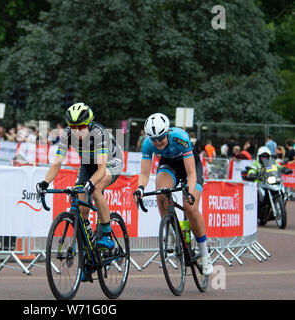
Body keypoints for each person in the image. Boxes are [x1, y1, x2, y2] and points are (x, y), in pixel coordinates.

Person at [36, 103, 124, 281]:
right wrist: (45, 182)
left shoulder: (99, 133)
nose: (77, 131)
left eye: (81, 127)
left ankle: (107, 234)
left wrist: (91, 184)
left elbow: (100, 170)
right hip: (87, 164)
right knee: (80, 209)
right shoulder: (67, 134)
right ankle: (89, 259)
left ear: (89, 124)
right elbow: (57, 163)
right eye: (73, 127)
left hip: (110, 163)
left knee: (96, 189)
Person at [133, 113, 213, 276]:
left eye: (161, 138)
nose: (157, 142)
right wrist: (140, 188)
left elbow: (191, 174)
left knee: (190, 208)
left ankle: (204, 254)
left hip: (189, 166)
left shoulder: (180, 137)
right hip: (169, 165)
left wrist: (190, 193)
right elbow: (144, 173)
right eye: (153, 139)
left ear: (167, 132)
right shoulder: (148, 144)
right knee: (161, 192)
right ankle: (170, 232)